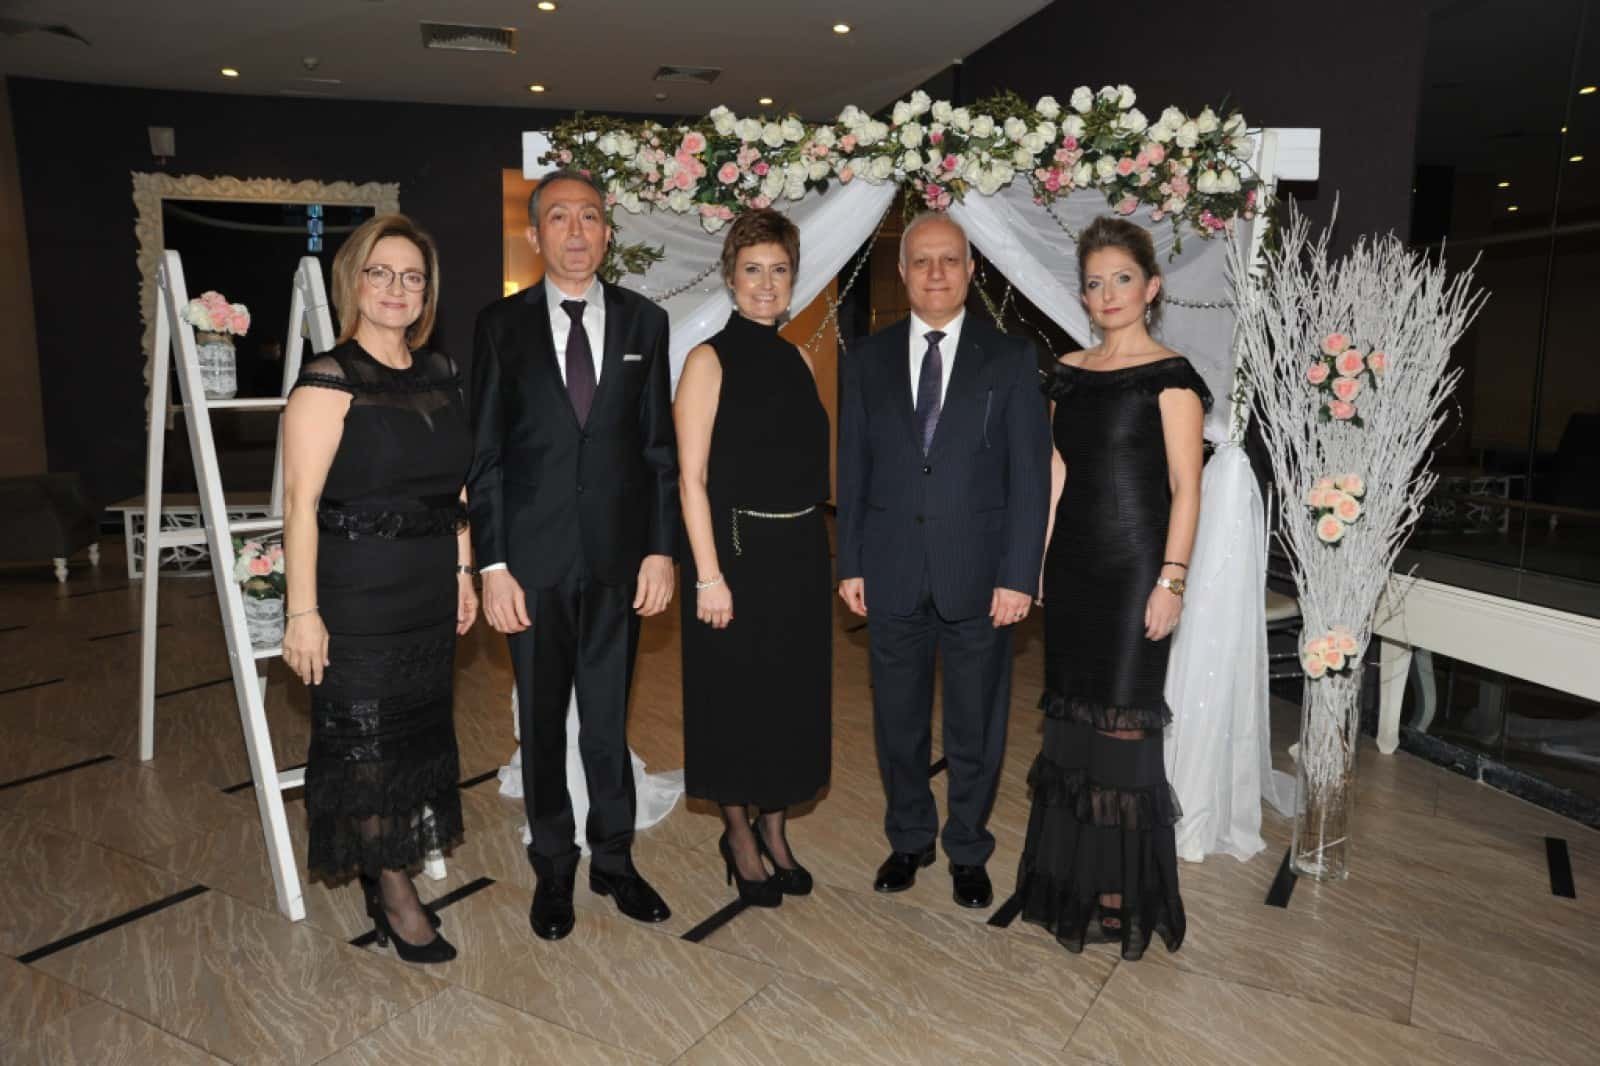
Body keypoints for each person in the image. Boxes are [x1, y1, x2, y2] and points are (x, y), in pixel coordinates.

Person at [467, 168, 678, 942]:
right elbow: (486, 456)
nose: (577, 231)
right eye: (560, 217)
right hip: (531, 566)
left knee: (606, 720)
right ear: (535, 235)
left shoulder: (646, 323)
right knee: (543, 720)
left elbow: (658, 449)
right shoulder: (500, 326)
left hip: (619, 563)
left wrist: (660, 551)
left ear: (607, 233)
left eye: (590, 217)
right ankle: (553, 863)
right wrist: (492, 566)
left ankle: (613, 860)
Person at [837, 212, 1050, 909]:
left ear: (971, 270)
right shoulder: (865, 358)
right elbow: (853, 468)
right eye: (922, 261)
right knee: (897, 721)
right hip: (891, 570)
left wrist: (1019, 574)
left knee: (975, 725)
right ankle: (908, 839)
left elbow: (1030, 479)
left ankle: (967, 847)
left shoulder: (1010, 358)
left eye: (950, 260)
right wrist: (850, 561)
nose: (936, 273)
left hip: (981, 577)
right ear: (902, 273)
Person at [282, 213, 475, 964]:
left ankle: (385, 869)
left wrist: (462, 569)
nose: (397, 288)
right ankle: (394, 893)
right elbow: (299, 505)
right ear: (354, 281)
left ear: (427, 292)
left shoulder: (442, 372)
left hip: (427, 593)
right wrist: (303, 612)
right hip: (356, 597)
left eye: (412, 277)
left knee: (410, 744)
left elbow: (456, 489)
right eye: (381, 273)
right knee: (364, 748)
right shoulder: (328, 379)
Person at [1014, 215, 1203, 961]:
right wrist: (1037, 561)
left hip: (1133, 573)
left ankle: (1123, 893)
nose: (1109, 293)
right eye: (1095, 283)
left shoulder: (1172, 375)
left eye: (1122, 279)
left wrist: (1172, 581)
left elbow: (1187, 488)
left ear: (1151, 288)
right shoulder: (1066, 370)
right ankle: (1075, 883)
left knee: (1123, 731)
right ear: (1084, 297)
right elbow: (1057, 472)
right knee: (1074, 728)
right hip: (1073, 569)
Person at [674, 209, 831, 907]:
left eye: (779, 270)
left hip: (799, 555)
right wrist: (708, 576)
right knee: (735, 701)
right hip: (733, 557)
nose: (766, 284)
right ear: (730, 278)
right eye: (752, 270)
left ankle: (775, 828)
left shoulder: (800, 358)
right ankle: (738, 834)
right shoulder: (707, 360)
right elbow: (691, 479)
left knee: (788, 701)